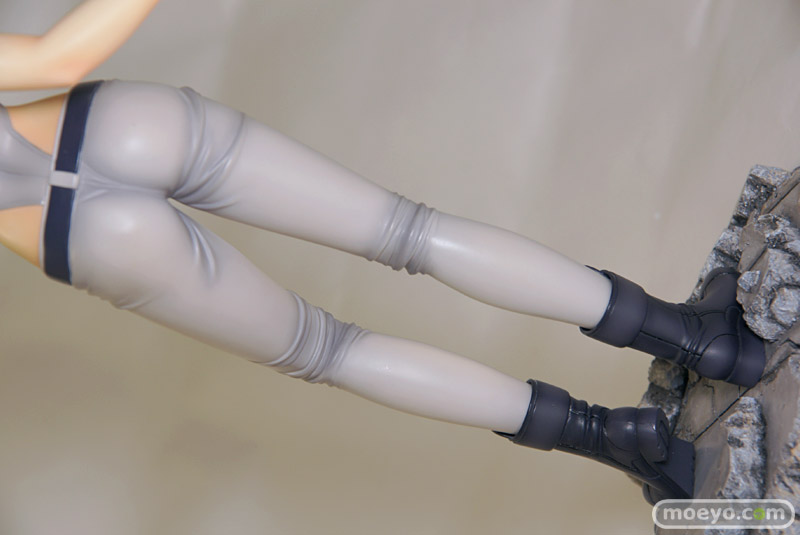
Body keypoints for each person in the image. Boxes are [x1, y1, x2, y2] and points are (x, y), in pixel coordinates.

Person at [0, 0, 766, 503]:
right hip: (115, 125)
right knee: (411, 231)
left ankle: (620, 438)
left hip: (74, 235)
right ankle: (697, 337)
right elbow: (57, 58)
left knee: (331, 351)